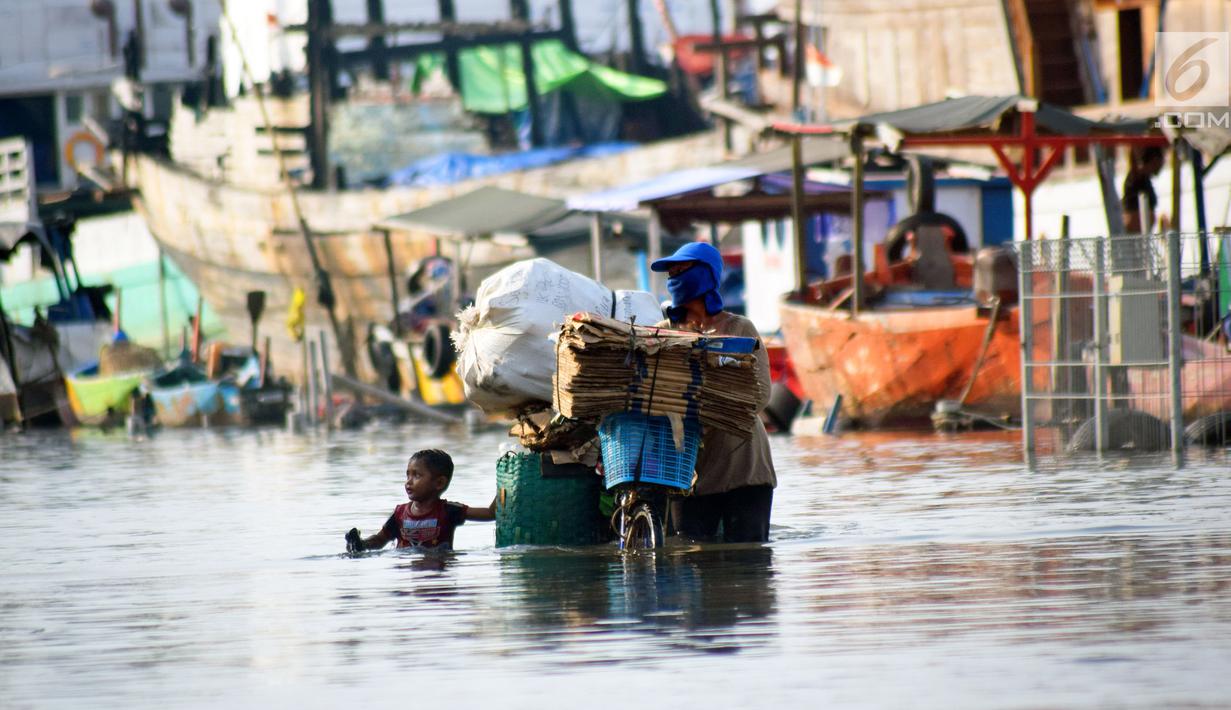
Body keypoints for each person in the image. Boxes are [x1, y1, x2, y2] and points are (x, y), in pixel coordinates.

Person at [650, 242, 777, 543]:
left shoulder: (740, 329)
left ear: (706, 275)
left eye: (682, 270)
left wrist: (703, 403)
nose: (673, 277)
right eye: (671, 272)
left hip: (745, 466)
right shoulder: (661, 334)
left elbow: (761, 395)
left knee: (749, 563)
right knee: (692, 561)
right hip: (687, 472)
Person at [345, 449, 496, 552]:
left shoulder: (449, 510)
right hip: (407, 578)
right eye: (408, 475)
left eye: (417, 476)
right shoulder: (400, 513)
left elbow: (490, 513)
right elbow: (380, 540)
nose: (408, 482)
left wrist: (507, 484)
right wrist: (361, 544)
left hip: (439, 578)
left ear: (439, 483)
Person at [1122, 146, 1164, 234]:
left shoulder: (1145, 179)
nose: (1161, 165)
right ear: (1153, 161)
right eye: (1159, 162)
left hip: (1143, 229)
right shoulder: (1136, 177)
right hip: (1137, 230)